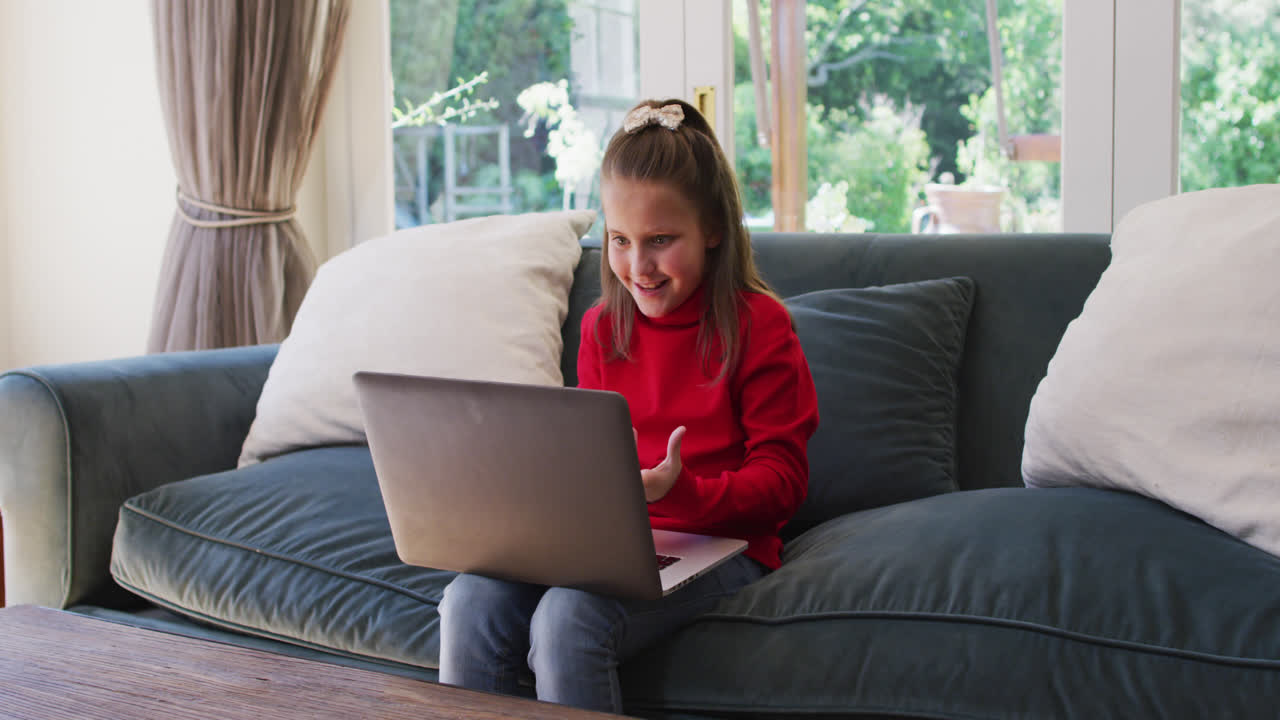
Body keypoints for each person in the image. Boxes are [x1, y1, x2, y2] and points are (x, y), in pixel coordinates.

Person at [436, 98, 819, 713]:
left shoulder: (760, 325)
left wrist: (679, 492)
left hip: (725, 545)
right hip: (615, 543)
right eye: (620, 240)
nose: (637, 267)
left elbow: (782, 485)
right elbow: (589, 462)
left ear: (713, 228)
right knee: (469, 602)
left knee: (568, 620)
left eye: (661, 240)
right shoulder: (600, 328)